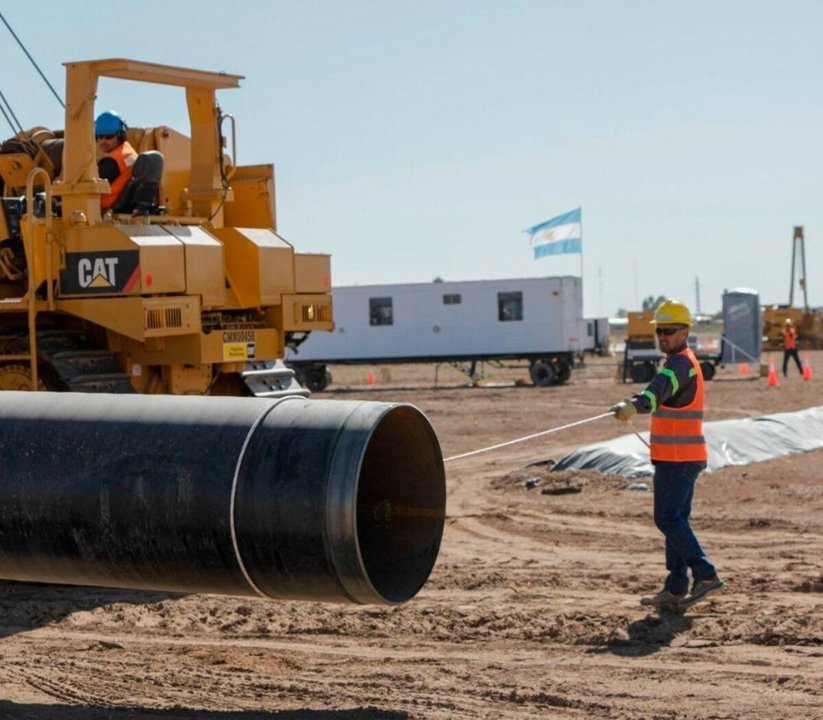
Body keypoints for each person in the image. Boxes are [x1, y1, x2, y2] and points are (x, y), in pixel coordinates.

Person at [610, 299, 724, 610]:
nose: (663, 336)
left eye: (670, 331)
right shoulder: (678, 361)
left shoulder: (681, 364)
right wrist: (636, 403)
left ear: (685, 332)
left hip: (680, 458)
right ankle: (676, 587)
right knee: (675, 519)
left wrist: (636, 404)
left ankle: (705, 574)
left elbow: (659, 388)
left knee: (668, 518)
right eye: (660, 330)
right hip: (674, 457)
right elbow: (661, 388)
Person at [95, 110, 137, 210]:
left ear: (120, 136)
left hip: (100, 210)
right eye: (100, 137)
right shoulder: (130, 153)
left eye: (109, 136)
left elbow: (89, 186)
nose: (103, 141)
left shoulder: (113, 161)